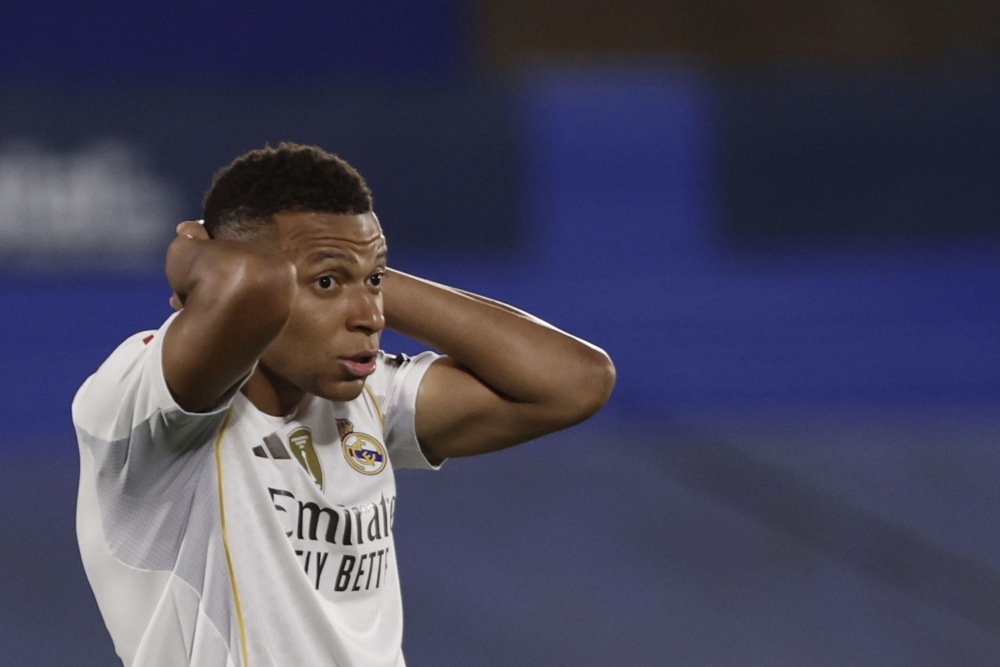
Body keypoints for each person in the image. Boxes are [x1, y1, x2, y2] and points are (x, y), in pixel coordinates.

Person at [72, 142, 615, 666]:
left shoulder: (365, 393)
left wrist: (355, 269)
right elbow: (253, 284)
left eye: (375, 281)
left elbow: (576, 380)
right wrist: (213, 259)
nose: (371, 316)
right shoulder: (145, 400)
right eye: (327, 283)